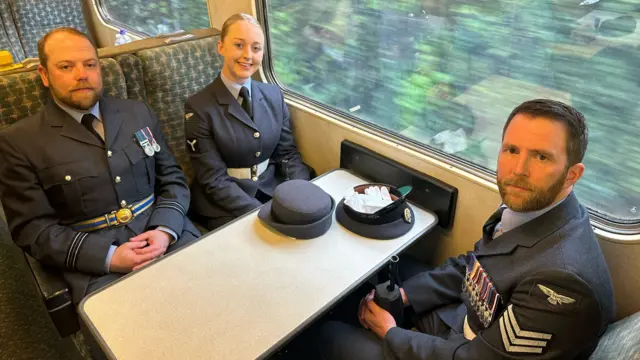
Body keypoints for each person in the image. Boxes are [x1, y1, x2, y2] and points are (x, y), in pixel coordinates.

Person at [317, 99, 615, 359]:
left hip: (472, 347)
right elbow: (473, 267)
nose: (519, 169)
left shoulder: (562, 285)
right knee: (374, 281)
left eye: (541, 157)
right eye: (511, 150)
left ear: (571, 175)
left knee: (327, 334)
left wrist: (391, 334)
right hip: (466, 318)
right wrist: (407, 295)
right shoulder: (532, 207)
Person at [0, 28, 200, 305]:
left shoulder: (137, 112)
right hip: (94, 263)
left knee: (219, 300)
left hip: (165, 235)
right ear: (45, 76)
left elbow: (172, 180)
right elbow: (32, 229)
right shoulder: (19, 142)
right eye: (66, 66)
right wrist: (109, 257)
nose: (82, 74)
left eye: (90, 64)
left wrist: (165, 230)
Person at [184, 13, 310, 231]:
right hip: (224, 203)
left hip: (271, 187)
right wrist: (261, 212)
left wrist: (301, 192)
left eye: (256, 48)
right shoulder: (198, 107)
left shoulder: (273, 95)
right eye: (239, 45)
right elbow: (213, 179)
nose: (248, 55)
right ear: (221, 47)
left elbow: (287, 154)